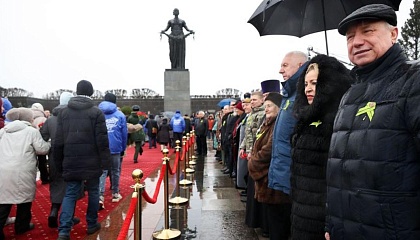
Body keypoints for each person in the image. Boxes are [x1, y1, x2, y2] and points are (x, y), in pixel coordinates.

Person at [325, 4, 420, 240]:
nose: (356, 42)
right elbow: (340, 170)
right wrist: (331, 222)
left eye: (367, 31)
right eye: (350, 37)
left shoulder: (413, 81)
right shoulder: (349, 94)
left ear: (393, 34)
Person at [289, 55, 352, 240]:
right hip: (301, 210)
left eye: (315, 83)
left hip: (322, 218)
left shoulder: (338, 120)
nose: (308, 88)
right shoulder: (305, 118)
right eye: (306, 83)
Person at [54, 80, 111, 240]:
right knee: (93, 191)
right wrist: (106, 163)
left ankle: (64, 230)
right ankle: (91, 224)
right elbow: (102, 140)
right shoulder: (96, 113)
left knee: (70, 193)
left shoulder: (64, 113)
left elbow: (58, 141)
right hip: (92, 159)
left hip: (71, 159)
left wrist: (58, 163)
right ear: (91, 92)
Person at [267, 51, 308, 240]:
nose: (280, 70)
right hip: (281, 178)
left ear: (300, 66)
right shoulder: (289, 97)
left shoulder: (302, 97)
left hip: (292, 181)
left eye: (285, 65)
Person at [0, 108, 50, 239]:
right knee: (24, 199)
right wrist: (49, 142)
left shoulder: (3, 132)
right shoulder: (31, 131)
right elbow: (42, 149)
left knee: (4, 200)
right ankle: (22, 226)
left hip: (3, 170)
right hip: (23, 169)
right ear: (28, 118)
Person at [40, 92, 81, 228]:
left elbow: (43, 136)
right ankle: (68, 216)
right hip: (72, 155)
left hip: (54, 155)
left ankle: (54, 211)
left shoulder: (51, 119)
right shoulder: (75, 117)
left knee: (56, 183)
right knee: (72, 186)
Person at [248, 92, 284, 240]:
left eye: (269, 106)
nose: (266, 109)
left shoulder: (277, 124)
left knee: (277, 223)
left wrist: (253, 163)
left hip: (270, 179)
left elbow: (268, 150)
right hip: (264, 179)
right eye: (265, 106)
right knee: (270, 217)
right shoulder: (267, 123)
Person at [98, 93, 127, 206]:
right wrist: (123, 148)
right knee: (115, 171)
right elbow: (124, 134)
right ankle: (115, 192)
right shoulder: (120, 115)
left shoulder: (98, 114)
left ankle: (100, 196)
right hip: (116, 147)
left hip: (102, 147)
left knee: (103, 172)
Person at [31, 102, 50, 184]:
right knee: (43, 161)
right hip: (42, 142)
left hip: (32, 143)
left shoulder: (30, 119)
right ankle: (44, 177)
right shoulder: (44, 119)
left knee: (33, 162)